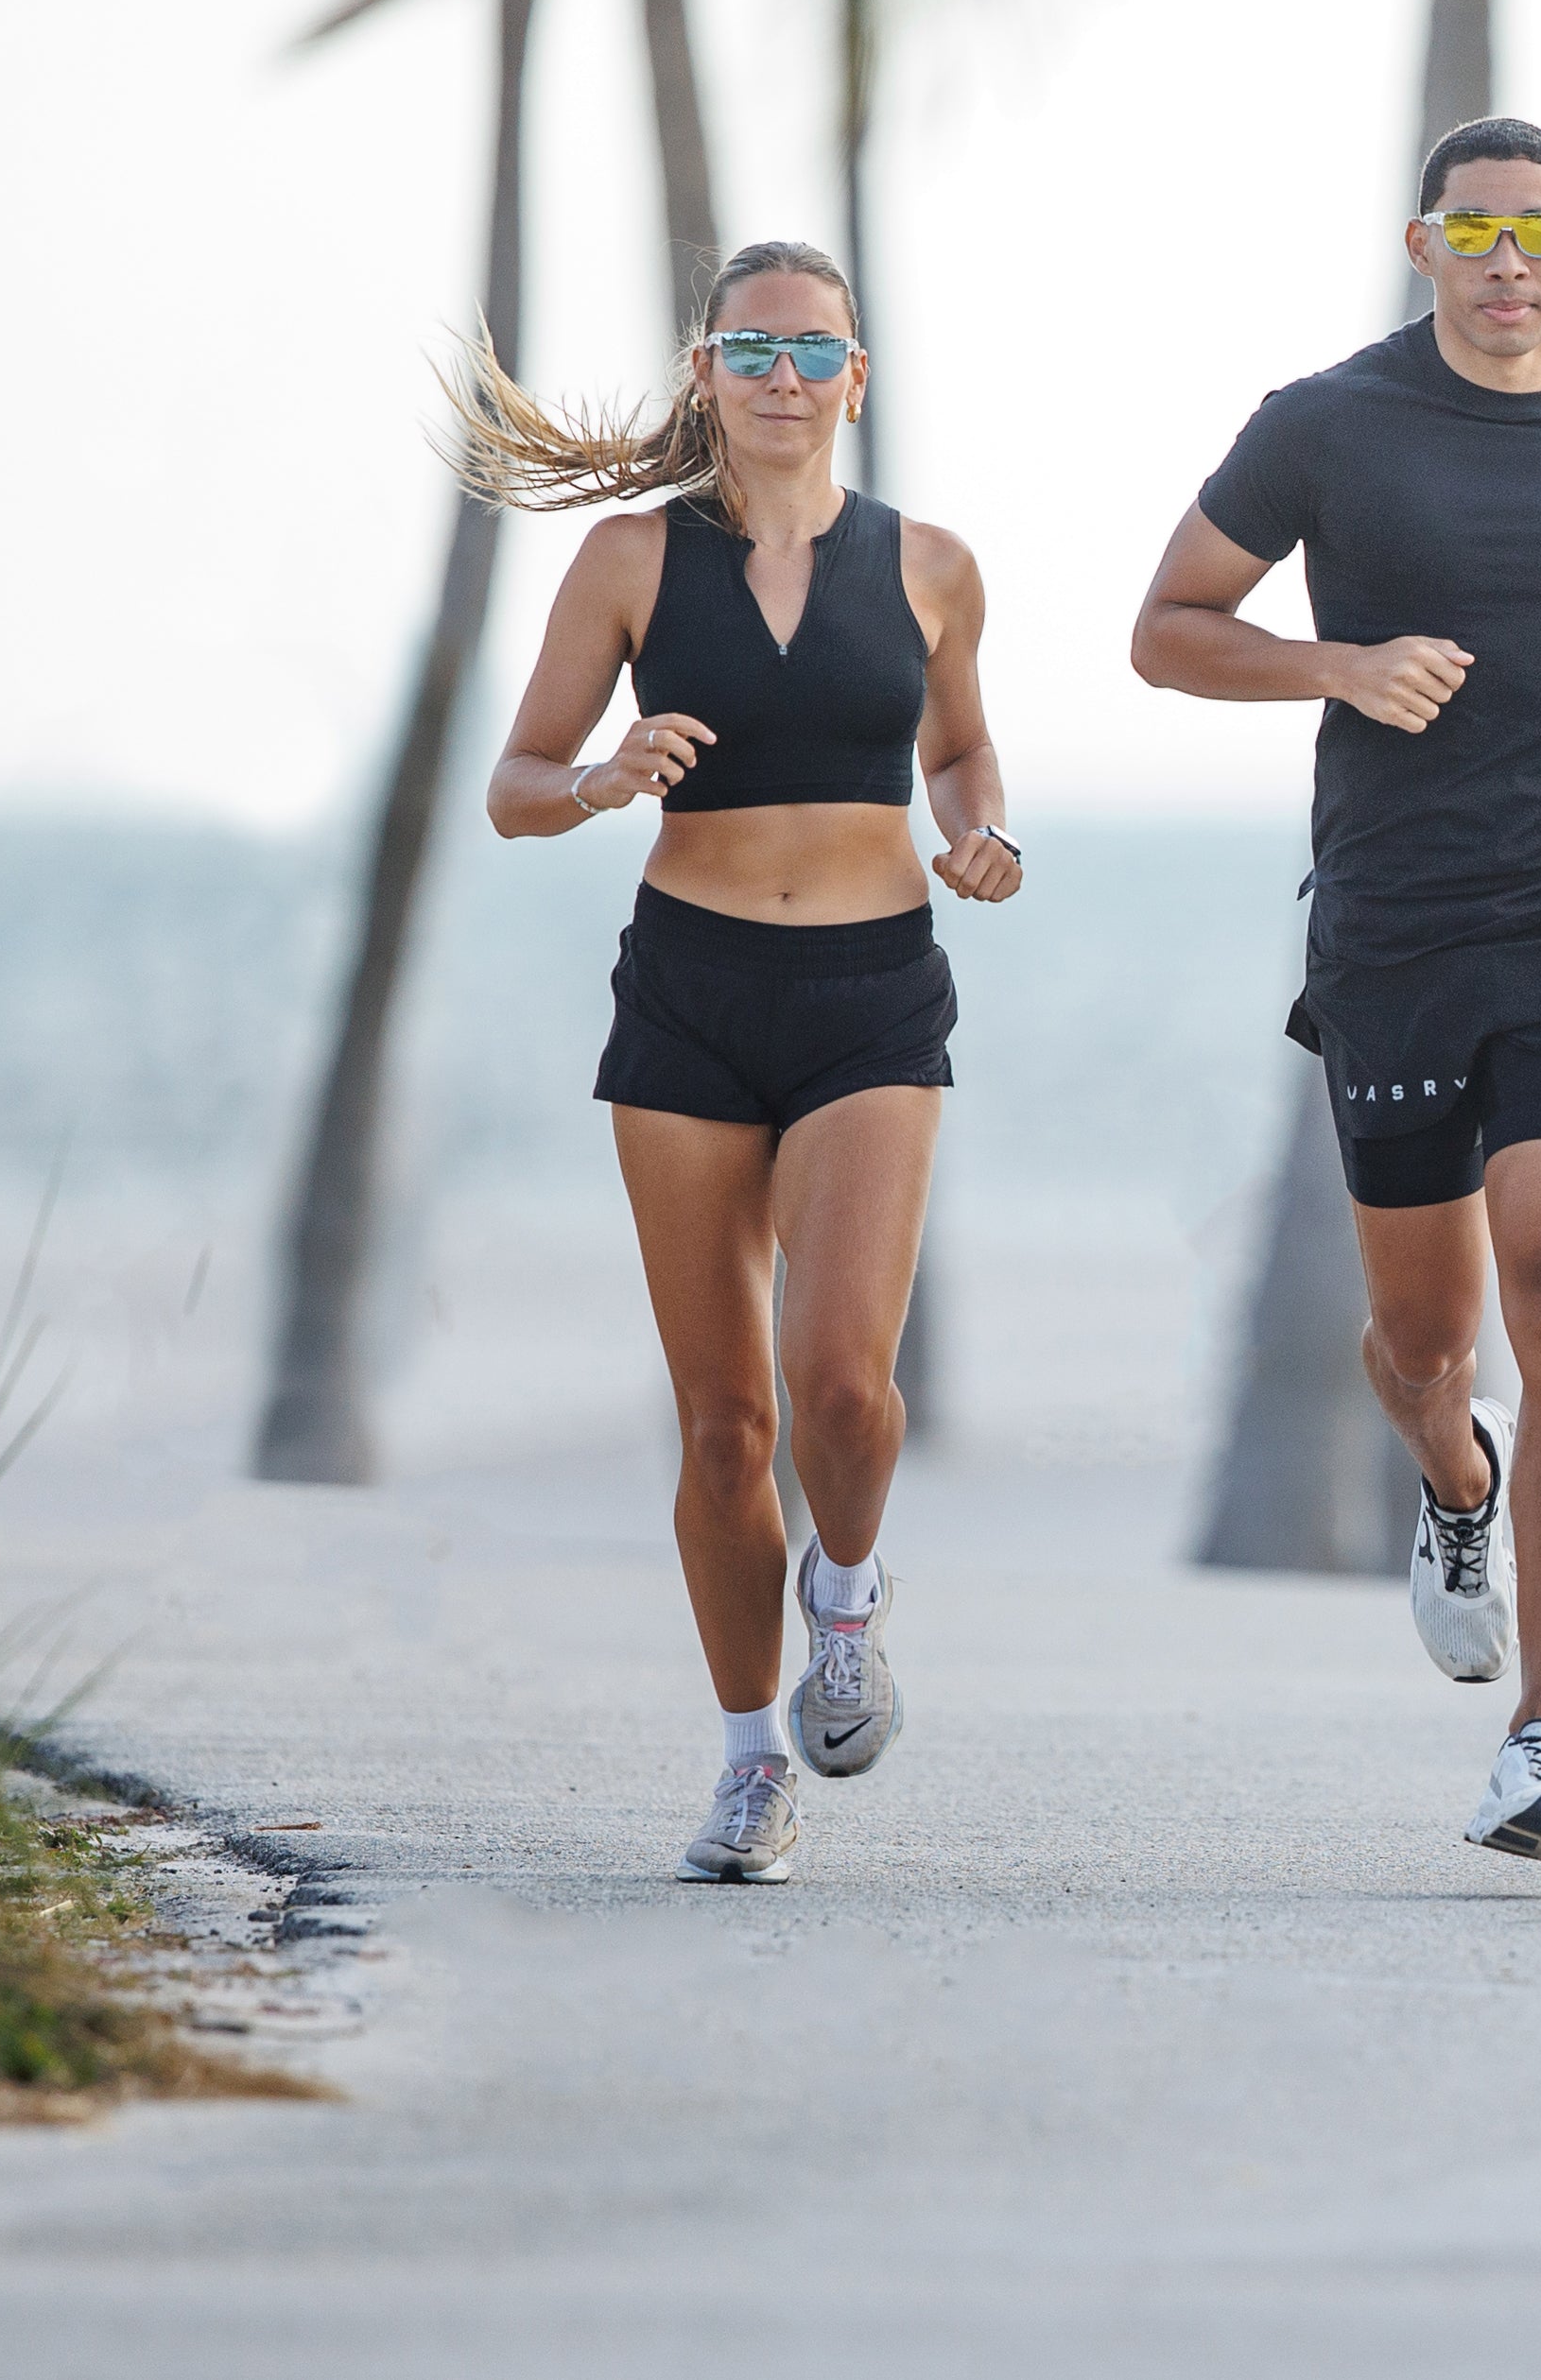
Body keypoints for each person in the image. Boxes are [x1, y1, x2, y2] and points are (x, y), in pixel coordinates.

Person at [1133, 116, 1541, 1870]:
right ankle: (1456, 1478)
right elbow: (1167, 626)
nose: (1505, 261)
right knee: (1423, 1348)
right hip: (1395, 937)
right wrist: (1336, 664)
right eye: (1472, 230)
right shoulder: (1325, 425)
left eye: (1534, 233)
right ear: (1424, 247)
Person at [466, 237, 1022, 1884]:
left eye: (815, 351)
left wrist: (980, 833)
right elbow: (514, 783)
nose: (787, 378)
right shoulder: (631, 560)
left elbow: (963, 748)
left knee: (842, 1384)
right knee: (723, 1423)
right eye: (754, 350)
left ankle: (844, 1596)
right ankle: (746, 1762)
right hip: (690, 998)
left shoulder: (930, 565)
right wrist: (603, 774)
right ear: (705, 372)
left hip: (872, 997)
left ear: (860, 376)